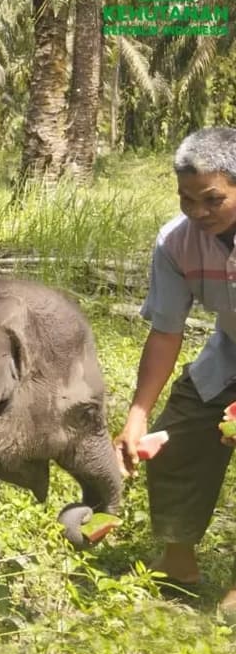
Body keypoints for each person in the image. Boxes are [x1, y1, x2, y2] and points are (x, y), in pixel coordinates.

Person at [114, 126, 236, 615]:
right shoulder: (175, 243)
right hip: (228, 354)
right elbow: (166, 332)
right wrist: (138, 414)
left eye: (212, 199)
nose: (198, 212)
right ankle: (179, 563)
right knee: (176, 439)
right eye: (187, 200)